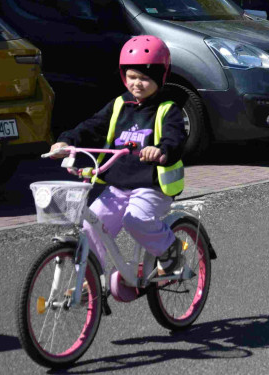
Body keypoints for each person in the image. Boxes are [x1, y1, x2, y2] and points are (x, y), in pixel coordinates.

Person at [49, 35, 187, 298]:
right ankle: (92, 276)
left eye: (145, 78)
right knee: (92, 225)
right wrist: (67, 141)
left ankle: (171, 251)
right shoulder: (119, 105)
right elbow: (92, 126)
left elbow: (175, 138)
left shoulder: (167, 109)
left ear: (160, 78)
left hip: (152, 186)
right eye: (132, 76)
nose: (137, 83)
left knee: (135, 220)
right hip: (117, 185)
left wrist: (161, 150)